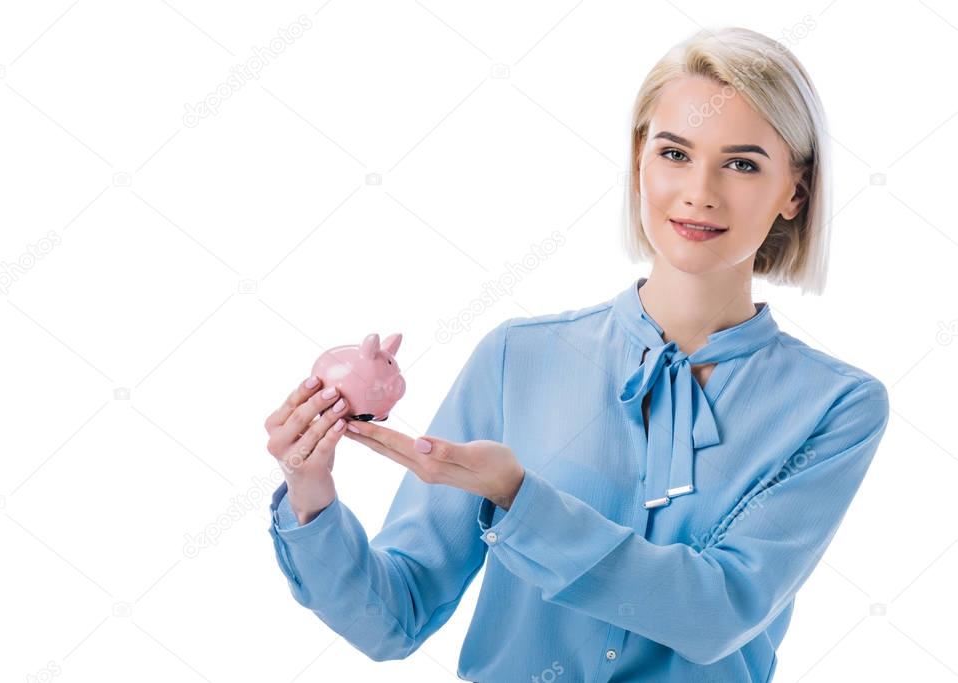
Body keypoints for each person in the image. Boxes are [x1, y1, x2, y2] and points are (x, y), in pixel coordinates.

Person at [263, 26, 889, 682]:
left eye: (741, 163)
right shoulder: (515, 358)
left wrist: (518, 496)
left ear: (794, 190)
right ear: (640, 158)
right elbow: (394, 618)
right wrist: (311, 496)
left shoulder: (836, 405)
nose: (699, 190)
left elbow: (717, 611)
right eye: (674, 153)